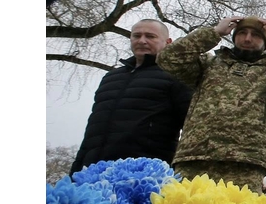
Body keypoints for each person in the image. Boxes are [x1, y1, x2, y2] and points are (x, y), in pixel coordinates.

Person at [157, 16, 266, 191]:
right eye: (242, 33)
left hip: (245, 162)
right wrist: (215, 32)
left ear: (265, 41)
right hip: (195, 157)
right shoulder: (208, 65)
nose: (247, 39)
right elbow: (168, 58)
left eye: (255, 35)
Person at [70, 19, 193, 174]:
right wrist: (77, 168)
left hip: (145, 172)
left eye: (150, 36)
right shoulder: (111, 77)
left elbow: (190, 126)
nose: (142, 41)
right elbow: (93, 128)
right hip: (93, 169)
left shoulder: (177, 76)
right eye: (136, 36)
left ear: (168, 42)